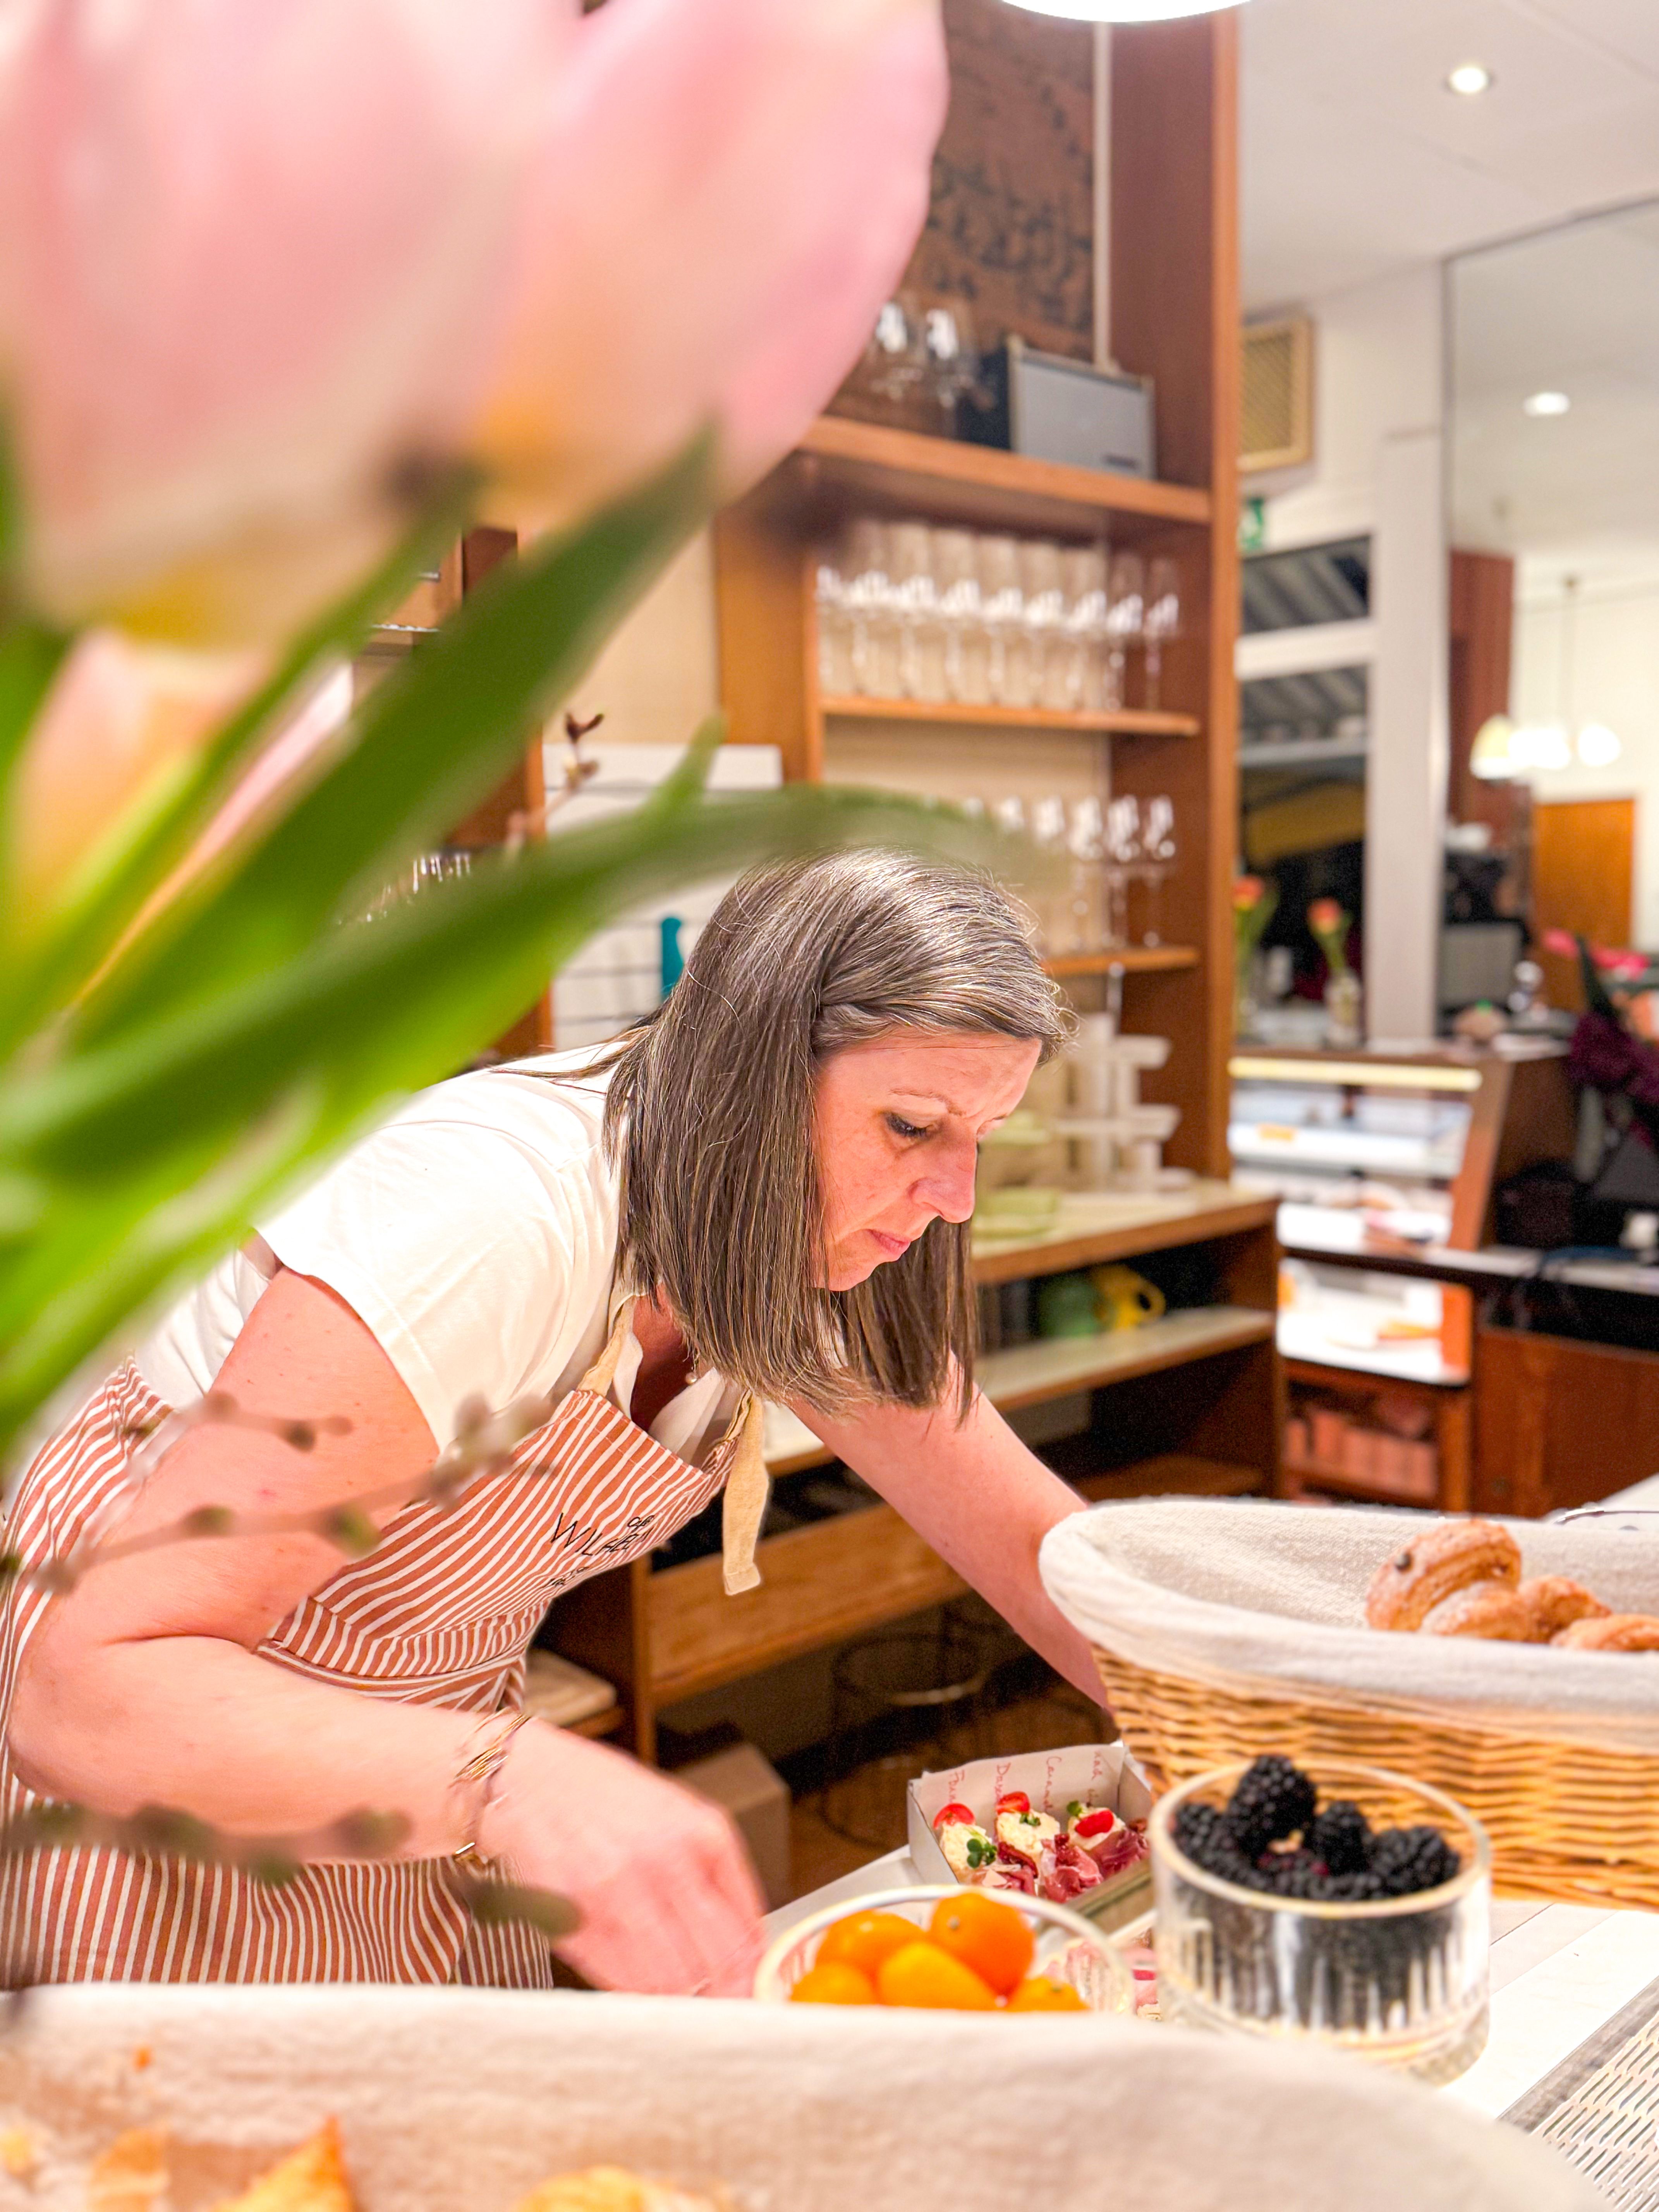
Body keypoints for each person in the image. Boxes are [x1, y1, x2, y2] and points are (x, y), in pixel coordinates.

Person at [0, 849, 1109, 1996]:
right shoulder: (490, 1219)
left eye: (984, 1134)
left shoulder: (822, 1228)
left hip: (422, 1757)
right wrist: (508, 1780)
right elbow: (78, 1695)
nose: (957, 1197)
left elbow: (1029, 1548)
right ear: (752, 1083)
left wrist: (1220, 1721)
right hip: (170, 1775)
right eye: (912, 1126)